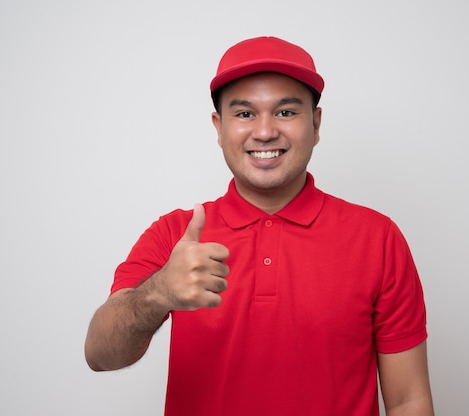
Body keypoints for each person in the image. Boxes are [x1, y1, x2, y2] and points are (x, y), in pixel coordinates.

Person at [85, 36, 434, 416]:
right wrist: (158, 293)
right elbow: (100, 355)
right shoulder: (176, 235)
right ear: (219, 128)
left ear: (315, 124)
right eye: (245, 114)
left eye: (286, 112)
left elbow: (408, 400)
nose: (265, 132)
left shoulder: (377, 238)